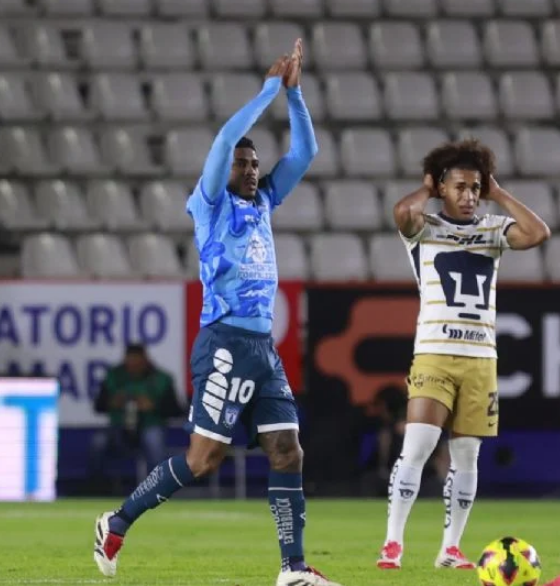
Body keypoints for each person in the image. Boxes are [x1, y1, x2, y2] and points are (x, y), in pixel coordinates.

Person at [93, 40, 344, 586]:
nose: (251, 170)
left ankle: (293, 569)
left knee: (286, 449)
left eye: (255, 164)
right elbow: (225, 137)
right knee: (204, 460)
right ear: (224, 167)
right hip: (224, 343)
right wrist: (269, 90)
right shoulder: (210, 203)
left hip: (262, 350)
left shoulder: (262, 202)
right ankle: (117, 521)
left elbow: (305, 154)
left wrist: (296, 96)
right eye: (243, 164)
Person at [376, 139, 550, 570]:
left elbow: (538, 233)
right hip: (434, 352)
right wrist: (428, 188)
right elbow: (401, 213)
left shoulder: (492, 229)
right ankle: (392, 542)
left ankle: (450, 548)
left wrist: (500, 193)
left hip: (480, 358)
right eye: (460, 187)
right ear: (441, 188)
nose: (470, 195)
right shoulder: (425, 228)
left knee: (467, 454)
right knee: (417, 444)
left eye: (476, 187)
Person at [89, 343, 183, 493]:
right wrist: (113, 402)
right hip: (120, 427)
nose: (133, 367)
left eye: (137, 362)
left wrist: (153, 406)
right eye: (130, 362)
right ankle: (97, 488)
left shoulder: (162, 378)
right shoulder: (114, 376)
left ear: (145, 360)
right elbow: (99, 406)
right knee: (98, 442)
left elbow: (177, 410)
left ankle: (157, 490)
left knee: (154, 441)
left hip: (149, 426)